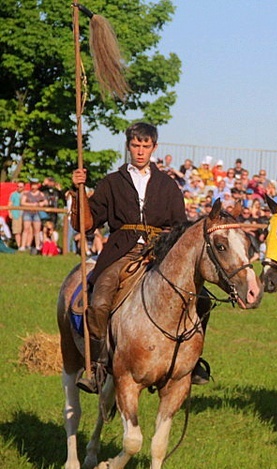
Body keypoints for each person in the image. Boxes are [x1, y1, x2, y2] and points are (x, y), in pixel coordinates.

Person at [70, 122, 210, 393]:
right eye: (136, 145)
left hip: (160, 254)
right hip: (121, 254)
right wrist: (79, 192)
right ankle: (98, 365)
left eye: (146, 146)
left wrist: (166, 252)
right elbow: (85, 224)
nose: (140, 151)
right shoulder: (112, 183)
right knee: (99, 302)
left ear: (154, 147)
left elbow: (180, 227)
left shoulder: (167, 185)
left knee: (201, 300)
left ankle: (191, 360)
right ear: (128, 146)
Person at [20, 178, 46, 251]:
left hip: (37, 213)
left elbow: (46, 202)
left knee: (37, 230)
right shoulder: (26, 193)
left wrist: (41, 203)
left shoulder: (41, 194)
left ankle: (37, 246)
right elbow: (22, 203)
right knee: (26, 229)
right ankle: (23, 246)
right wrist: (31, 204)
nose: (33, 187)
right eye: (32, 185)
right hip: (27, 213)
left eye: (35, 185)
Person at [9, 182, 24, 250]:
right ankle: (19, 246)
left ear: (23, 187)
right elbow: (10, 204)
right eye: (17, 186)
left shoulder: (26, 194)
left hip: (25, 214)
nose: (19, 188)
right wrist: (10, 213)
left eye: (20, 186)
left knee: (25, 230)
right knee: (17, 231)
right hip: (15, 214)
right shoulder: (13, 194)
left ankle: (24, 246)